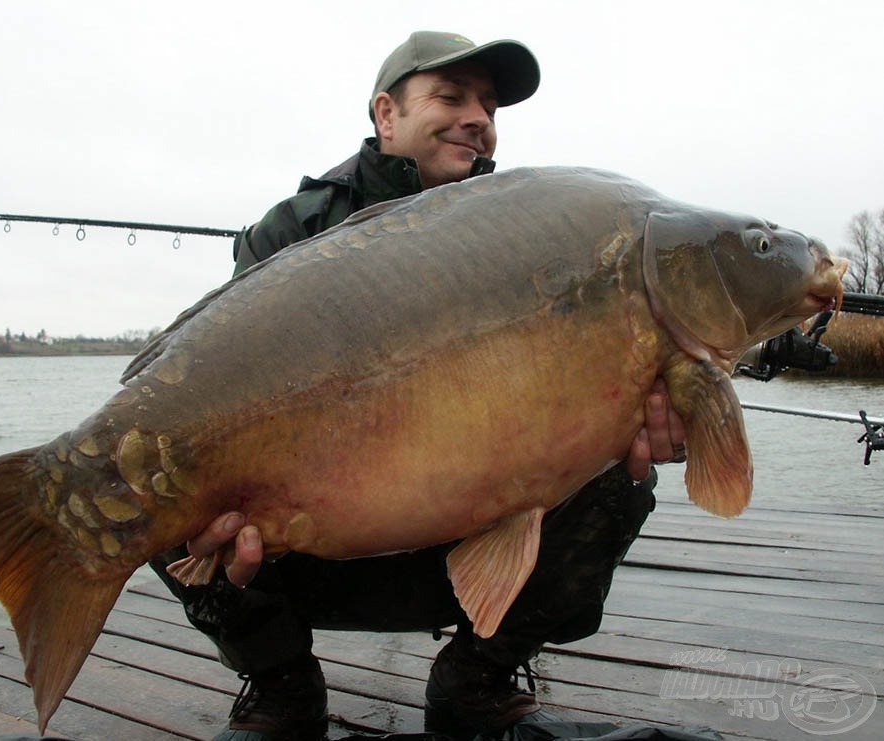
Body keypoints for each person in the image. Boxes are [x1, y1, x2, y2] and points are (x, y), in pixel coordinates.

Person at [150, 31, 686, 741]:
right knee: (158, 486)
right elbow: (219, 382)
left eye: (488, 105)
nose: (478, 117)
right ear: (385, 114)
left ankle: (476, 683)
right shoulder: (291, 232)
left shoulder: (531, 232)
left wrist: (622, 418)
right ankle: (281, 690)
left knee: (621, 477)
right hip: (306, 546)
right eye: (451, 96)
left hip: (461, 534)